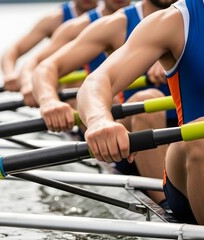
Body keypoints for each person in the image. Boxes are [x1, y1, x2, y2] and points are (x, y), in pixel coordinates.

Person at [77, 0, 204, 228]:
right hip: (196, 159)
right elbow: (97, 81)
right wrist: (98, 120)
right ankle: (164, 204)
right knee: (203, 133)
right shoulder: (175, 22)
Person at [32, 0, 177, 205]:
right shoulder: (116, 24)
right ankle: (166, 205)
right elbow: (45, 67)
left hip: (195, 132)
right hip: (134, 139)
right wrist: (48, 100)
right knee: (147, 98)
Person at [18, 0, 131, 107]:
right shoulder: (73, 25)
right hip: (94, 97)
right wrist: (28, 84)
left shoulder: (146, 21)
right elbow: (35, 62)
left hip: (127, 99)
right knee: (78, 86)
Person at [0, 0, 98, 92]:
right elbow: (15, 49)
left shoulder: (110, 16)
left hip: (99, 85)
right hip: (67, 87)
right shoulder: (55, 19)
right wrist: (10, 74)